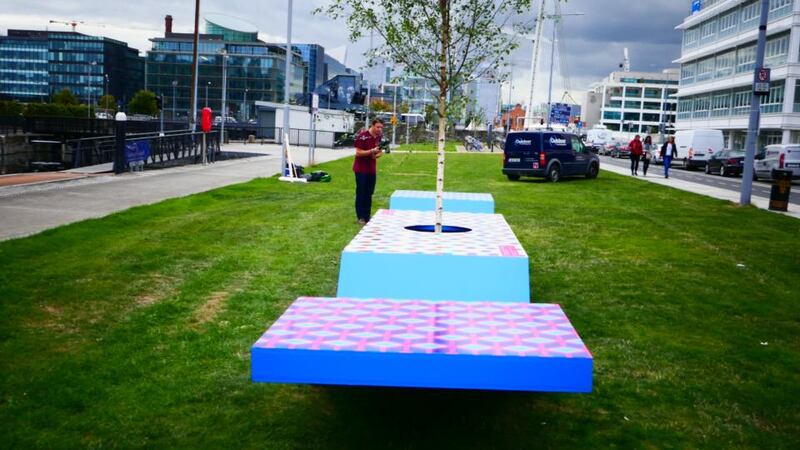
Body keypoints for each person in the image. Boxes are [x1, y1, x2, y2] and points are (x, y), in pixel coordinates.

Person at [353, 118, 385, 224]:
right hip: (361, 169)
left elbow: (380, 152)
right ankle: (360, 217)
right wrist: (371, 151)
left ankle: (367, 216)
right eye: (378, 127)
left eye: (381, 127)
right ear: (372, 125)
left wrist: (377, 155)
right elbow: (358, 152)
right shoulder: (363, 136)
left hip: (371, 170)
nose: (379, 129)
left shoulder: (379, 137)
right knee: (361, 192)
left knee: (369, 193)